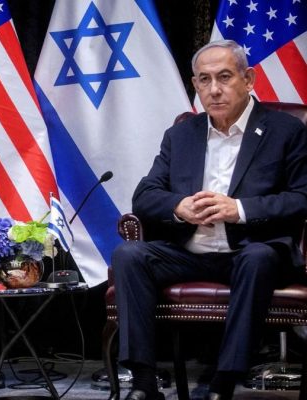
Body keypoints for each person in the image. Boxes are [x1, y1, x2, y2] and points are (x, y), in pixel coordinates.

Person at [112, 39, 307, 400]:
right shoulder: (181, 135)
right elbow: (145, 195)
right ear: (195, 85)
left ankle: (223, 382)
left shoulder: (286, 130)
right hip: (189, 252)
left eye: (224, 77)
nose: (214, 89)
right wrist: (179, 206)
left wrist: (240, 210)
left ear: (248, 79)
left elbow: (301, 197)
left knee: (258, 257)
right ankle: (143, 382)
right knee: (129, 255)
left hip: (250, 250)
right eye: (204, 79)